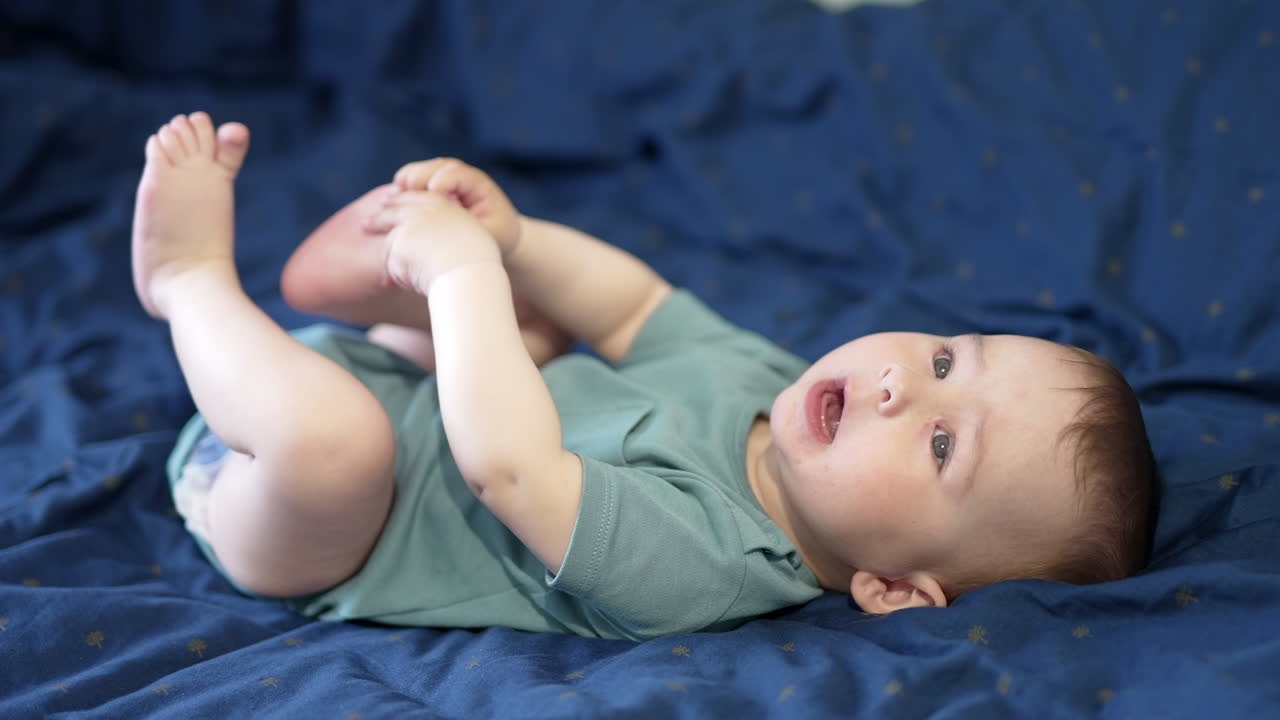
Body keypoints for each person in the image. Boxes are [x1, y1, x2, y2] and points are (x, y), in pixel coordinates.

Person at [134, 113, 1158, 641]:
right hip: (394, 397)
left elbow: (511, 470)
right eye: (942, 359)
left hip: (299, 521)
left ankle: (187, 283)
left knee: (341, 446)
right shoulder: (767, 386)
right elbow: (630, 309)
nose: (903, 387)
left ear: (888, 588)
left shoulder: (709, 564)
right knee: (537, 323)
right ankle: (374, 305)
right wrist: (515, 239)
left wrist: (459, 273)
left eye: (940, 444)